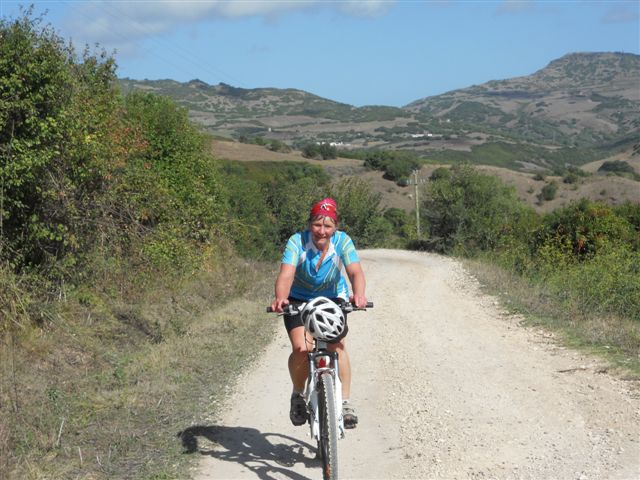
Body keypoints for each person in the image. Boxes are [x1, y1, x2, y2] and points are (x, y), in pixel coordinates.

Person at [270, 197, 367, 429]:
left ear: (335, 227)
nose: (321, 231)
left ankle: (345, 403)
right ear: (309, 224)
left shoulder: (343, 241)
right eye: (316, 224)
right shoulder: (297, 241)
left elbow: (355, 272)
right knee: (301, 348)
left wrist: (359, 295)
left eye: (327, 226)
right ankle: (298, 394)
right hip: (299, 299)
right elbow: (286, 274)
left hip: (332, 298)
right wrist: (281, 298)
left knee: (336, 346)